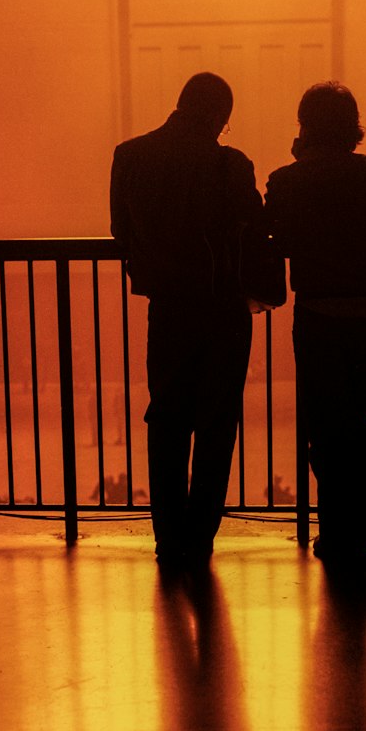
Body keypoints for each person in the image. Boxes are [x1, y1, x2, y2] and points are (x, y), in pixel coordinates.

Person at [111, 72, 281, 566]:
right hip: (223, 311)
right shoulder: (230, 163)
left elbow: (121, 232)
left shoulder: (130, 156)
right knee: (216, 422)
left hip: (166, 307)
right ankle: (199, 538)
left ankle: (168, 538)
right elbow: (256, 224)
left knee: (165, 417)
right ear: (219, 117)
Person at [265, 82, 366, 559]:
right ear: (353, 127)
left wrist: (300, 164)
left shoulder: (288, 179)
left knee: (324, 422)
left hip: (317, 311)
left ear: (305, 127)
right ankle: (365, 523)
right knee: (358, 416)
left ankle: (340, 528)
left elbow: (277, 232)